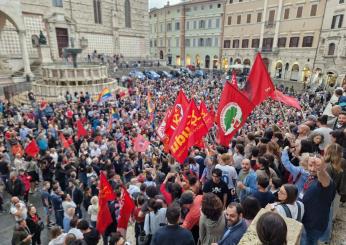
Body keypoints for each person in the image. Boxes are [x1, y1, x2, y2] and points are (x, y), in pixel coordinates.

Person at [300, 155, 336, 245]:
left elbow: (325, 179)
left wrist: (320, 170)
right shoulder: (311, 177)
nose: (312, 169)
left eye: (316, 166)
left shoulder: (325, 182)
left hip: (314, 225)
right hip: (307, 221)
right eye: (310, 165)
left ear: (324, 167)